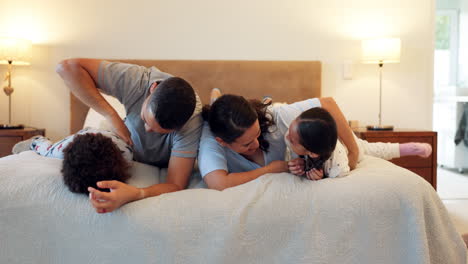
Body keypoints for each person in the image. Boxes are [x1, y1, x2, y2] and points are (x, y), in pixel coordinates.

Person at [56, 59, 203, 213]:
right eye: (145, 119)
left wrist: (137, 193)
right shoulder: (137, 81)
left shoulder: (192, 122)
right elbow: (65, 67)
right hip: (124, 143)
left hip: (165, 162)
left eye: (157, 131)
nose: (147, 129)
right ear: (153, 88)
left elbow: (175, 185)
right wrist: (111, 115)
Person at [198, 92, 360, 190]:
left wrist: (354, 152)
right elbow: (218, 183)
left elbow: (328, 103)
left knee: (366, 148)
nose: (256, 144)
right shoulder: (210, 139)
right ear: (223, 142)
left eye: (258, 134)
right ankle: (215, 96)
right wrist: (270, 169)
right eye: (247, 144)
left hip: (327, 140)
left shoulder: (275, 116)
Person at [285, 107, 433, 180]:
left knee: (376, 150)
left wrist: (321, 176)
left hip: (347, 147)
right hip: (332, 139)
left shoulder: (338, 164)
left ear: (312, 152)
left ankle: (411, 148)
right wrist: (301, 165)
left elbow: (342, 171)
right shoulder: (294, 133)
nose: (287, 136)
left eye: (292, 139)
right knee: (374, 148)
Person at [12, 128, 133, 194]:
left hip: (106, 136)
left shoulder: (126, 153)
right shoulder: (128, 155)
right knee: (48, 149)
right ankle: (36, 140)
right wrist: (35, 143)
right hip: (83, 135)